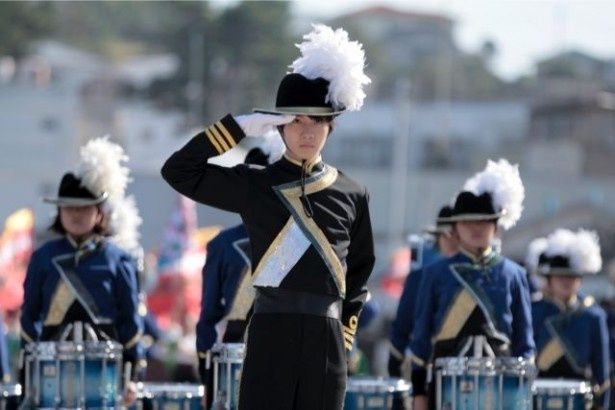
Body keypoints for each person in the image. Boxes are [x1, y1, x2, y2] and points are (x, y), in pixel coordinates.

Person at [162, 24, 374, 410]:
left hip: (327, 339)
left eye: (316, 120)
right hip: (270, 331)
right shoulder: (257, 184)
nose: (306, 131)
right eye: (296, 120)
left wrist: (344, 336)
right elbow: (178, 171)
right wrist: (237, 128)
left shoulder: (352, 192)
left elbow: (359, 272)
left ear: (331, 124)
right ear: (279, 124)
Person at [20, 138, 144, 404]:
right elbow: (29, 317)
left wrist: (133, 375)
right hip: (51, 372)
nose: (75, 214)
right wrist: (27, 374)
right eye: (69, 207)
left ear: (99, 213)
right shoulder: (43, 257)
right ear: (59, 210)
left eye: (84, 208)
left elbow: (130, 322)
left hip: (105, 375)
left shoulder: (118, 259)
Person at [408, 159, 535, 410]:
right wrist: (419, 393)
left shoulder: (514, 274)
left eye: (484, 222)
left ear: (496, 227)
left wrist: (523, 389)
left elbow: (524, 339)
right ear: (454, 229)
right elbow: (421, 336)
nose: (476, 229)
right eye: (468, 222)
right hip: (447, 385)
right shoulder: (435, 273)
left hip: (502, 387)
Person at [196, 143, 282, 407]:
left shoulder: (300, 240)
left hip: (284, 351)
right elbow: (209, 314)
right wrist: (207, 371)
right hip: (232, 355)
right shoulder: (222, 244)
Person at [529, 229, 609, 409]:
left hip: (580, 398)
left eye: (572, 276)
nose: (566, 281)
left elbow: (600, 369)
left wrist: (601, 404)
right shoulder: (535, 311)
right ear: (549, 279)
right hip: (539, 397)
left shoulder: (593, 315)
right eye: (560, 275)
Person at [388, 205, 458, 379]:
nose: (450, 240)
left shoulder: (476, 277)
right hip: (426, 364)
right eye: (445, 235)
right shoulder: (420, 277)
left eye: (455, 235)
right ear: (437, 238)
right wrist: (395, 362)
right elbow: (403, 322)